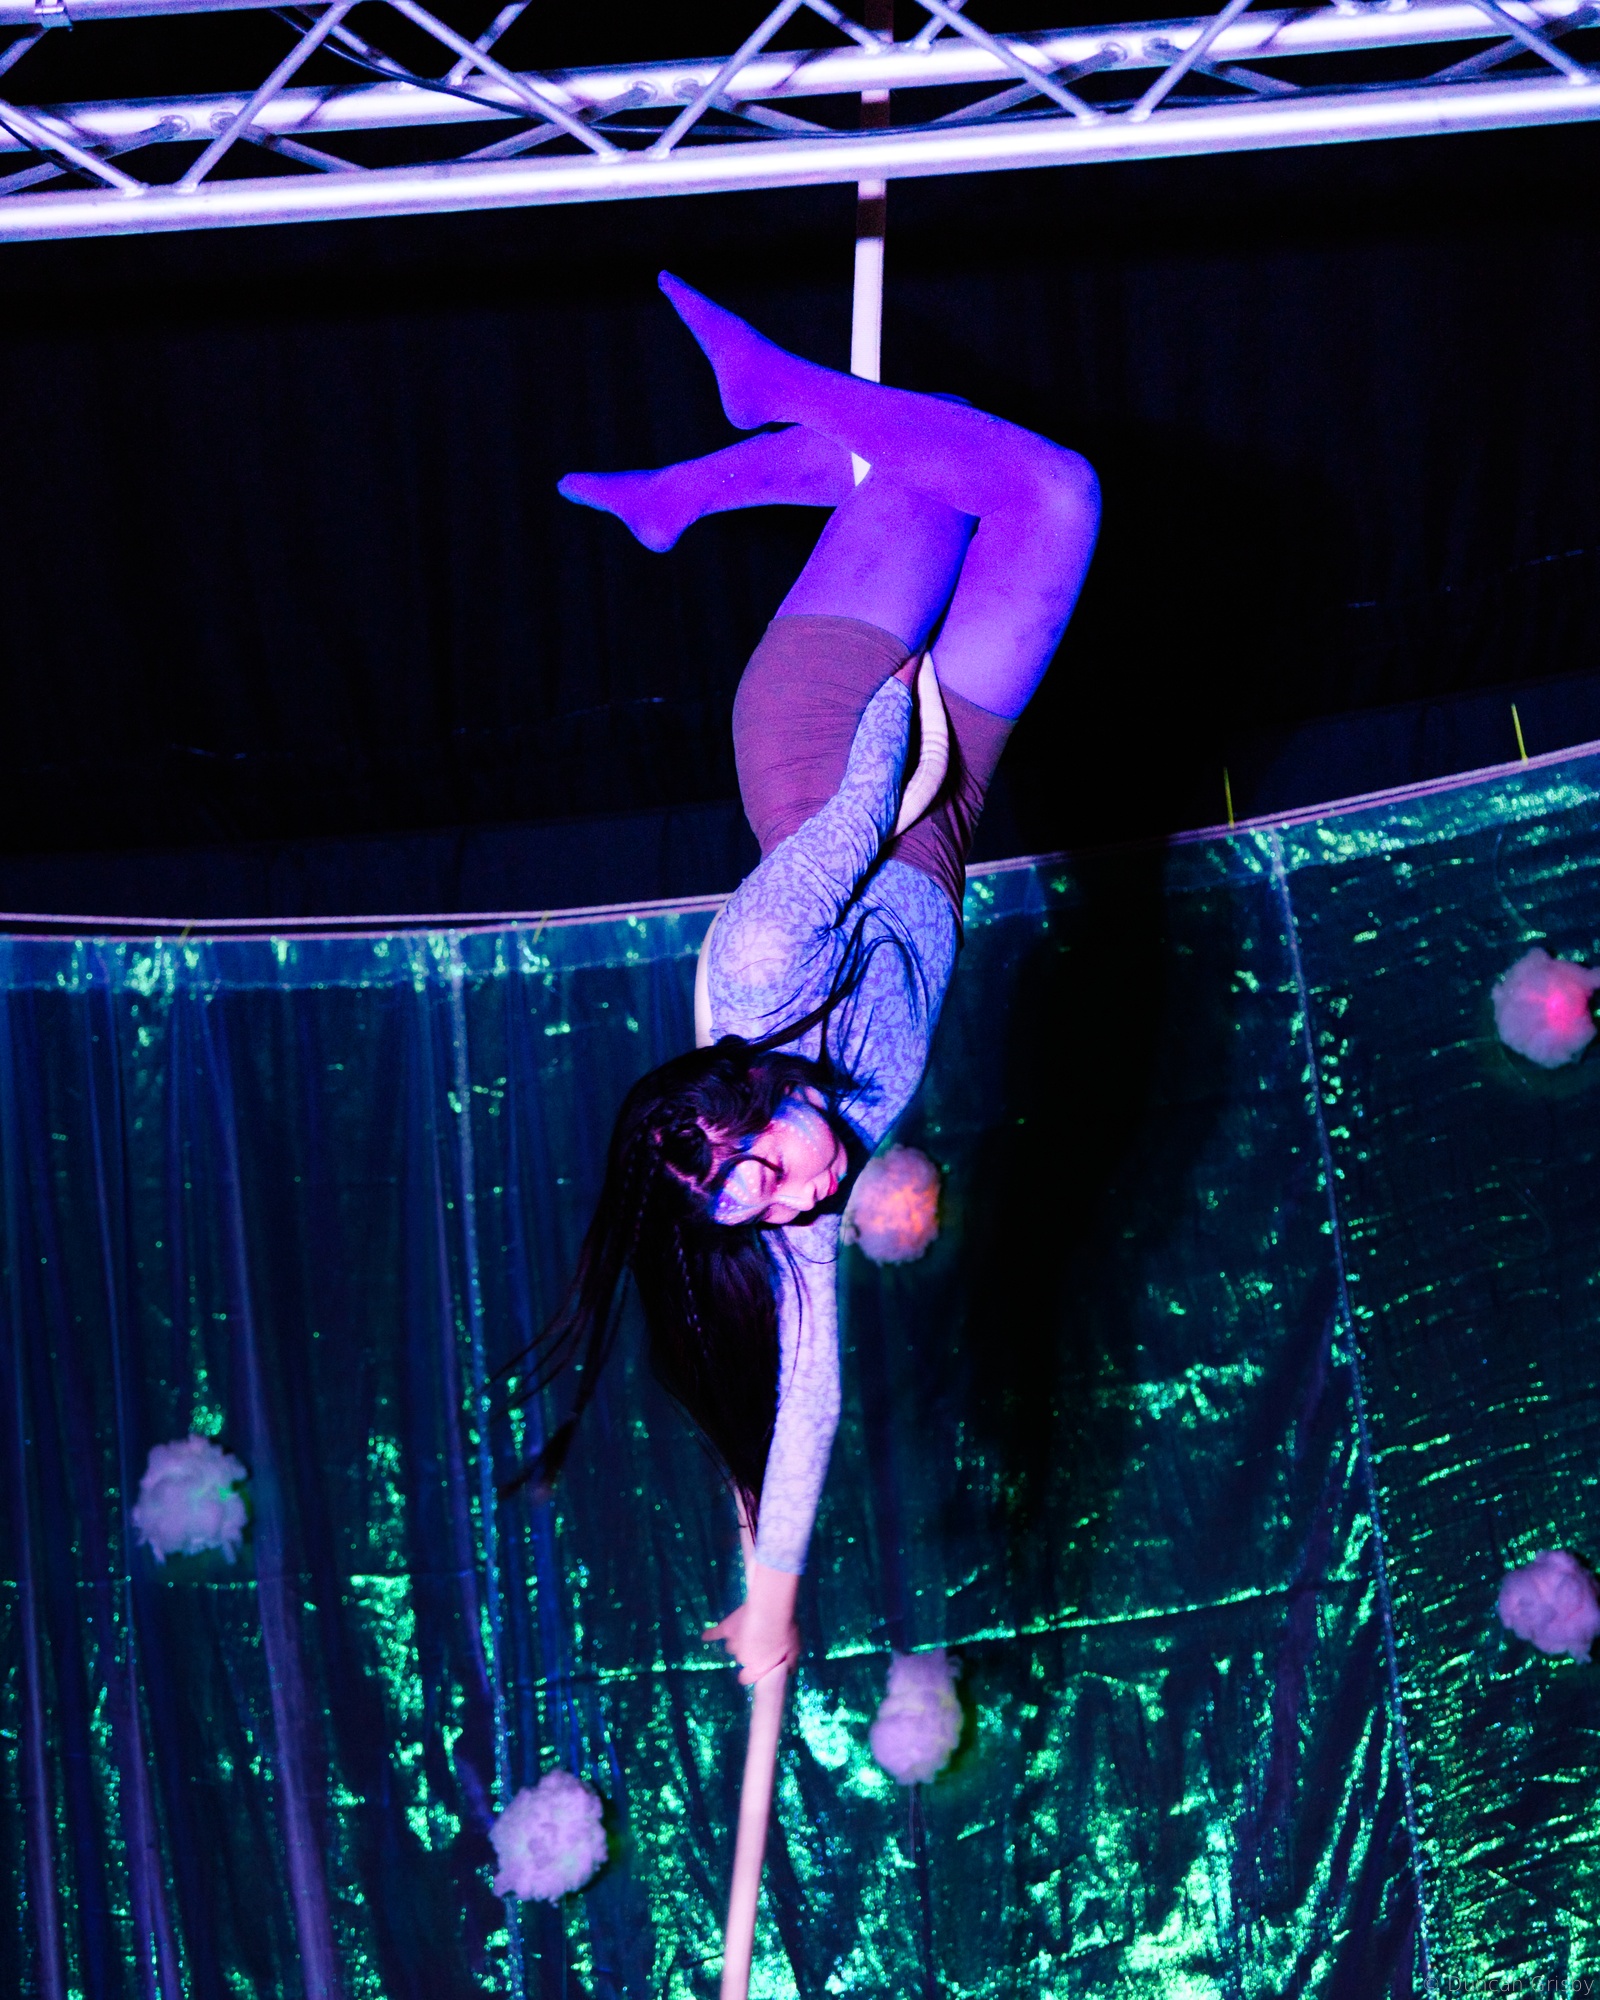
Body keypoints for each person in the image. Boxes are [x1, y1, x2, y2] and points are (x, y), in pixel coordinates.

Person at [515, 271, 1099, 1688]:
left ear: (736, 1102)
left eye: (768, 1176)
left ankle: (771, 404)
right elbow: (811, 1388)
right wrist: (771, 1594)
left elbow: (864, 794)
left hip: (838, 741)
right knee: (962, 471)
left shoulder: (758, 963)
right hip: (943, 816)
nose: (805, 1198)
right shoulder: (787, 1185)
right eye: (769, 1209)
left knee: (1025, 489)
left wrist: (922, 670)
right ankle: (701, 486)